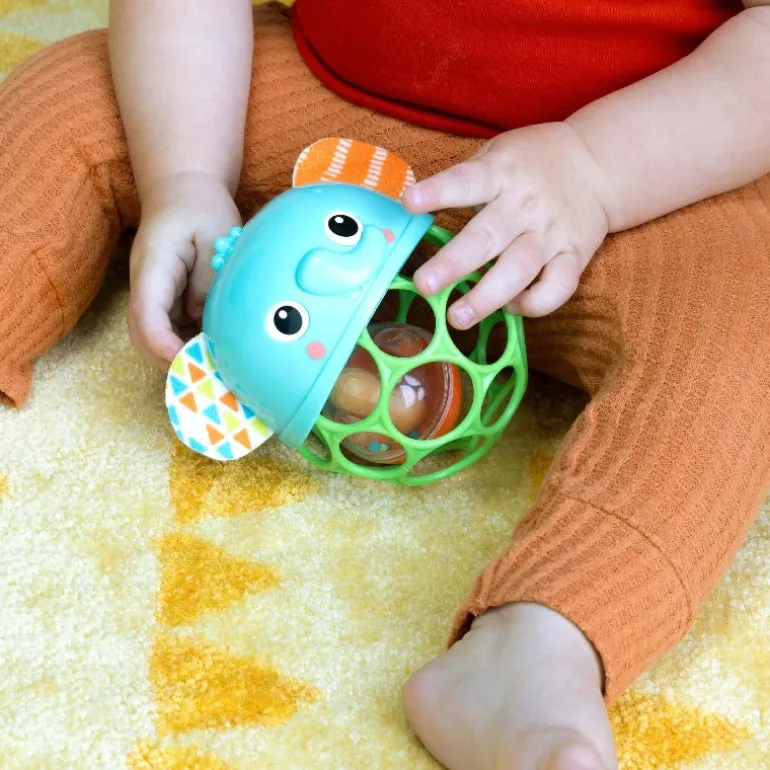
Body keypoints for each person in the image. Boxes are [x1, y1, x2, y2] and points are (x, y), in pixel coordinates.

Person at [1, 1, 770, 767]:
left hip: (638, 168)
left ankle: (543, 638)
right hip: (331, 113)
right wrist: (185, 174)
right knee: (71, 96)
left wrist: (593, 171)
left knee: (741, 322)